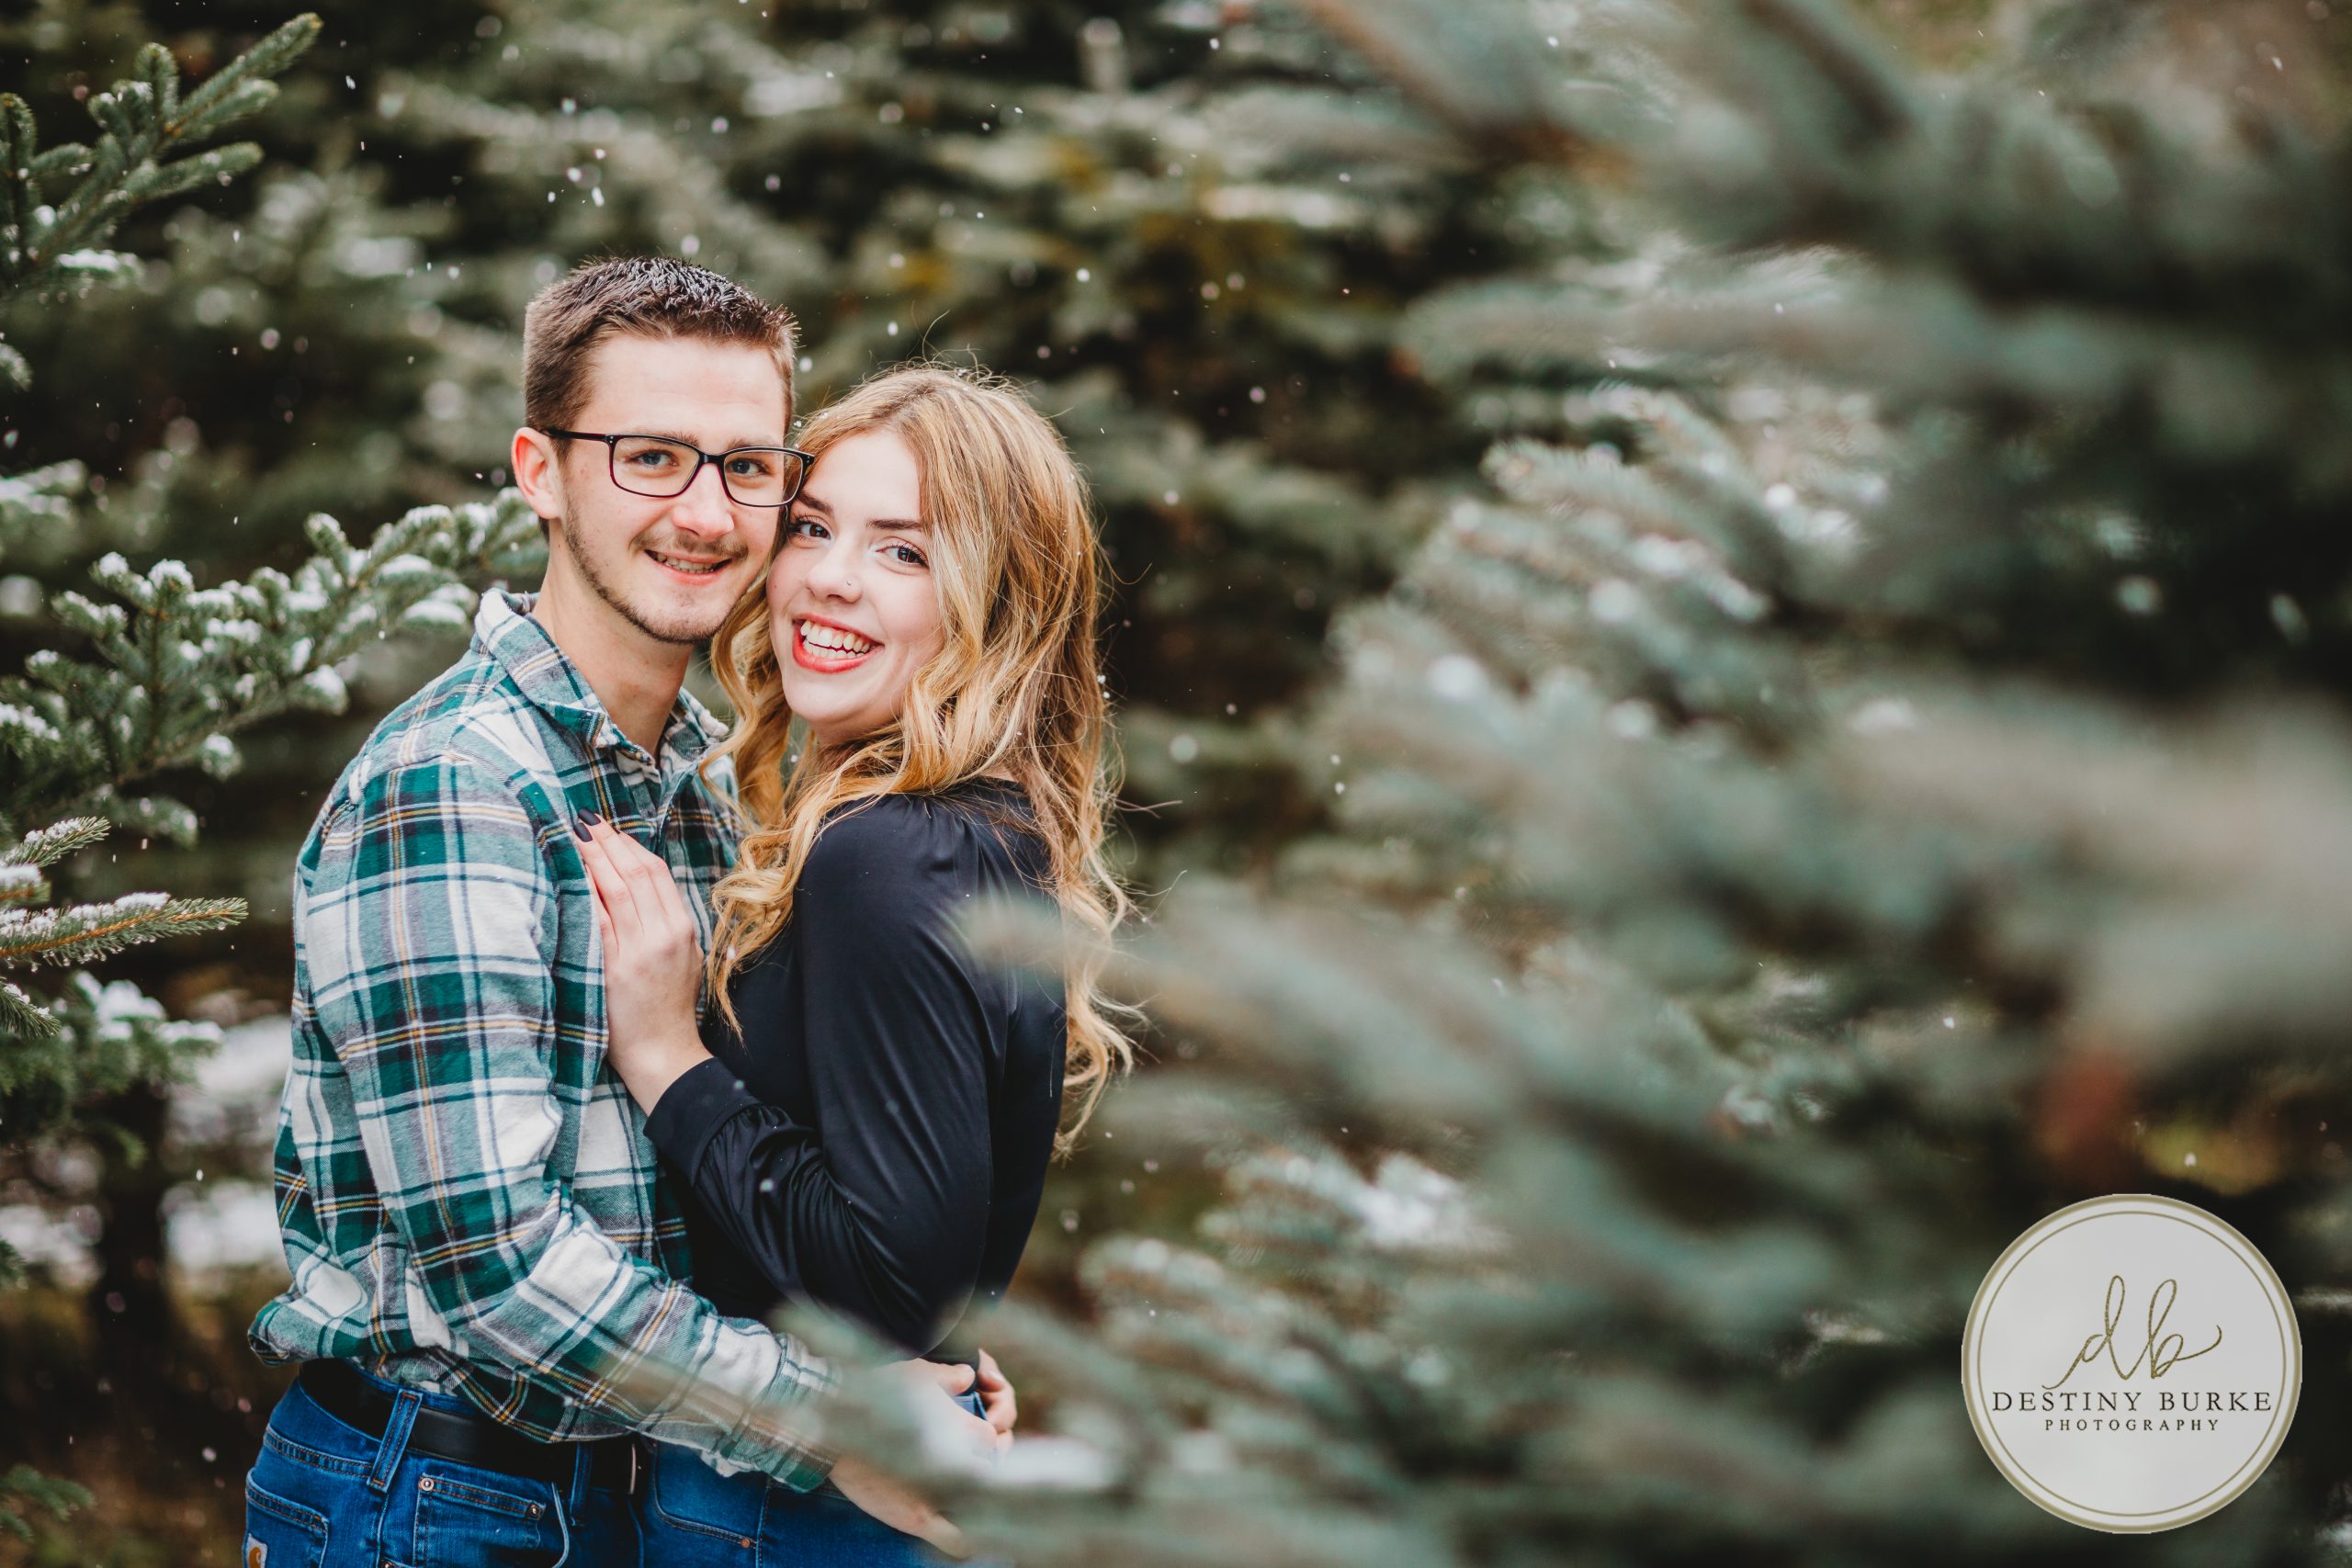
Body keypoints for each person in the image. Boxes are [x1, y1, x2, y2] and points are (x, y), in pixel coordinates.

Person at [242, 259, 1005, 1568]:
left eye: (749, 466)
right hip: (434, 1498)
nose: (708, 514)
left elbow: (736, 1167)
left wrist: (918, 1372)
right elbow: (498, 1273)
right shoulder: (454, 787)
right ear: (541, 471)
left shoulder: (707, 790)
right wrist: (836, 1422)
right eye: (652, 458)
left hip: (632, 1486)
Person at [570, 362, 1135, 1565]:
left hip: (783, 1514)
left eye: (905, 552)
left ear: (998, 605)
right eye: (815, 527)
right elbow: (922, 1254)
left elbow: (886, 1274)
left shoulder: (883, 858)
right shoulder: (967, 832)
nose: (828, 577)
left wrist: (672, 1062)